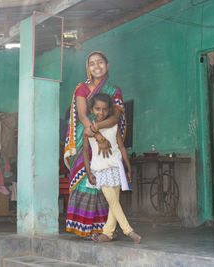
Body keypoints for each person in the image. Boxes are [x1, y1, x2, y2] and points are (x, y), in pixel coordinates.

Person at [64, 51, 127, 239]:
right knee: (87, 179)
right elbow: (83, 116)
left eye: (100, 62)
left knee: (107, 182)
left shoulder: (114, 90)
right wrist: (97, 137)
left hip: (107, 139)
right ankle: (84, 228)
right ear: (88, 67)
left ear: (107, 65)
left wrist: (98, 127)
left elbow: (116, 116)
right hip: (88, 139)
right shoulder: (82, 88)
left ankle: (106, 230)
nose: (96, 66)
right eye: (92, 63)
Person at [83, 93, 141, 243]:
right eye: (97, 109)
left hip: (116, 168)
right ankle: (129, 230)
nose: (100, 113)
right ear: (91, 110)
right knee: (113, 202)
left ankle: (107, 233)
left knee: (113, 203)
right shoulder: (89, 131)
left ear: (109, 110)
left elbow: (121, 148)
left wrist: (128, 167)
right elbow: (85, 152)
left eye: (104, 109)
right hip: (100, 169)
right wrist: (88, 172)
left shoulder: (114, 127)